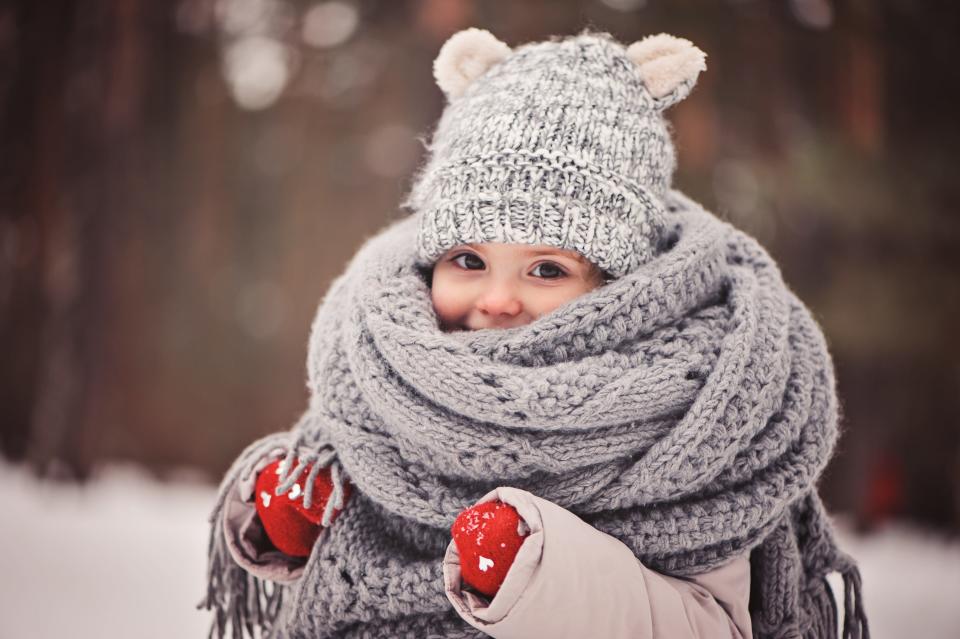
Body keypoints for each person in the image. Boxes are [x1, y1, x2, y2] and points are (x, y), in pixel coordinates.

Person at [201, 28, 869, 639]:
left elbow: (710, 624)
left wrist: (539, 569)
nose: (497, 299)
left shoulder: (701, 419)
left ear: (620, 285)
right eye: (468, 260)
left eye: (547, 268)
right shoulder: (388, 372)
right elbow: (352, 527)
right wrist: (295, 523)